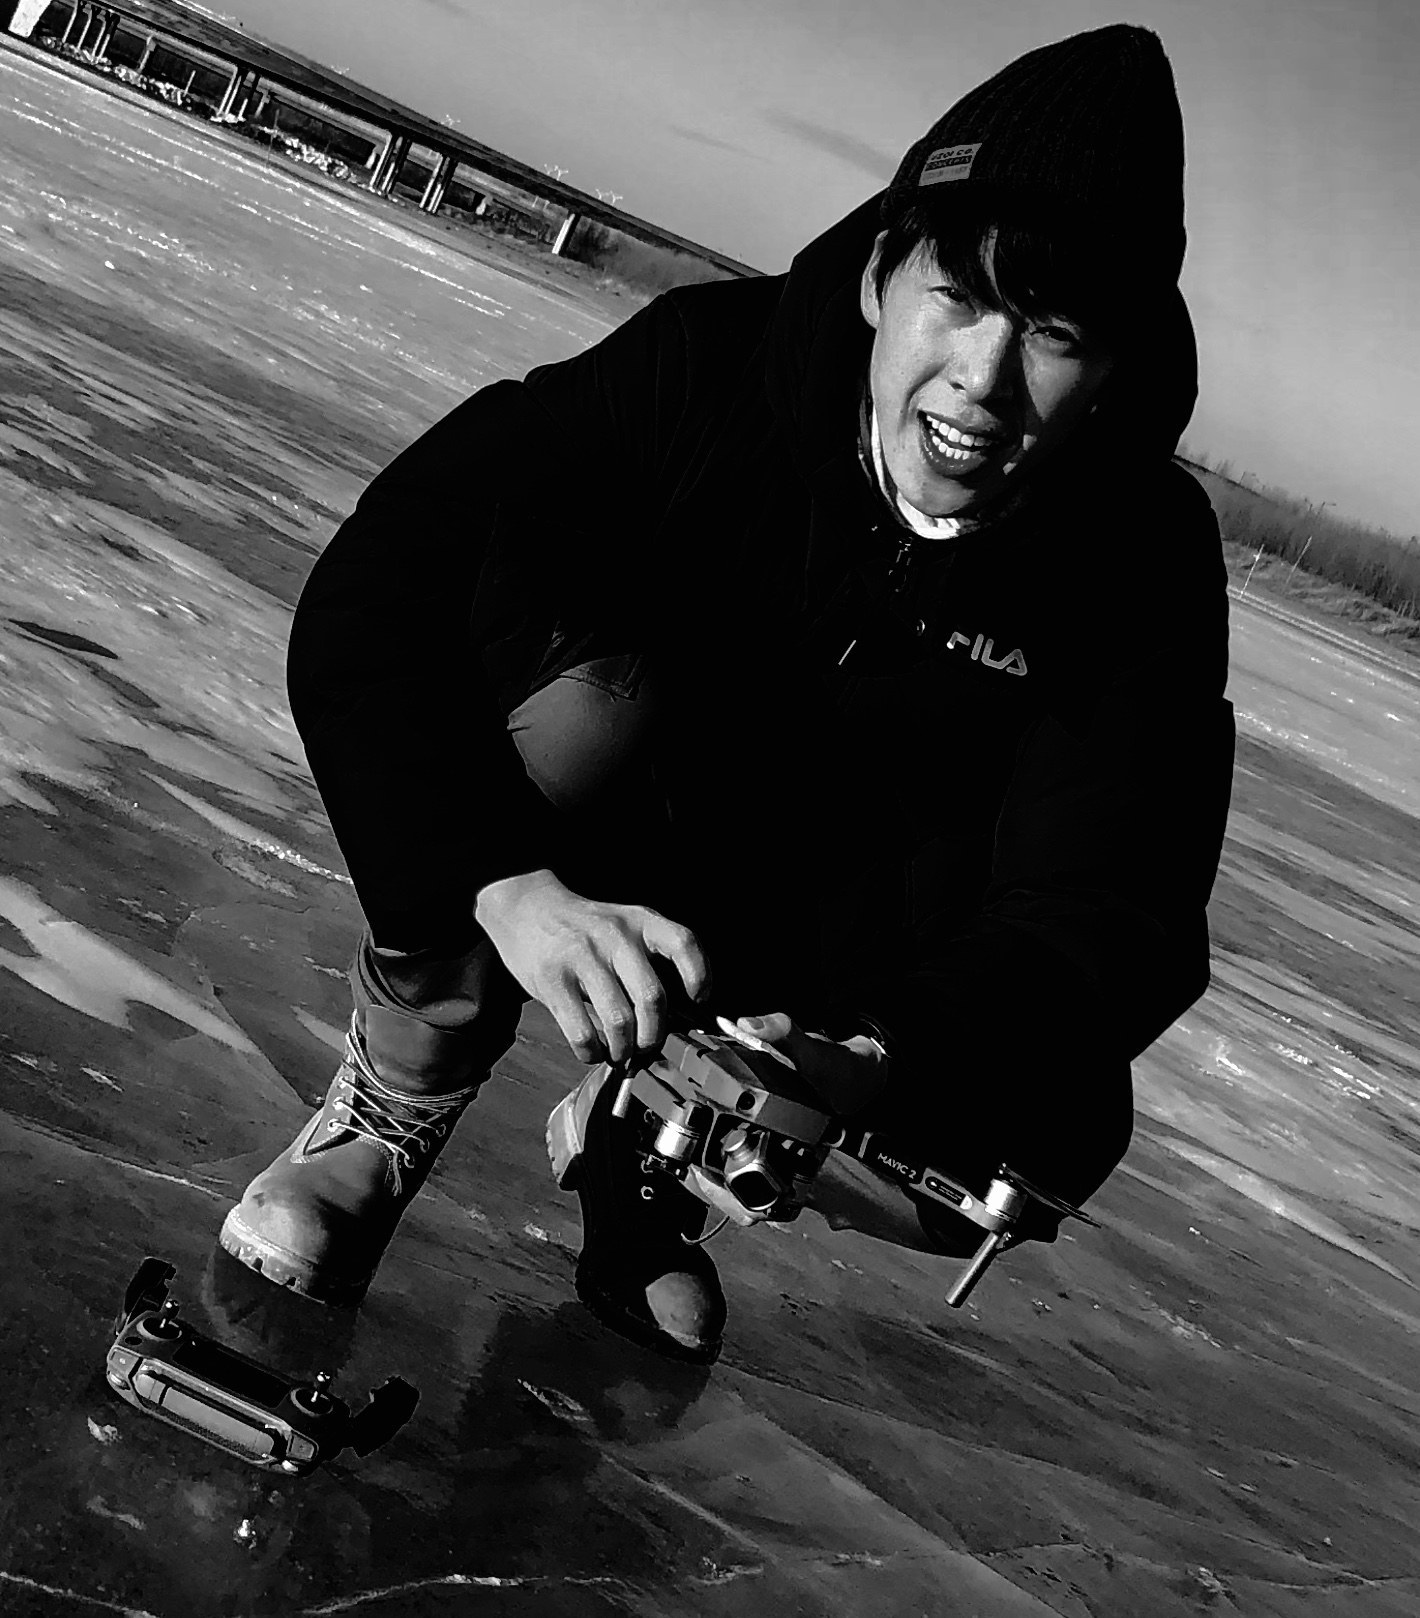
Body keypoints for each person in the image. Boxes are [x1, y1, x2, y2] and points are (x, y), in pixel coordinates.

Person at [220, 23, 1235, 1364]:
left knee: (1045, 1122)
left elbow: (1115, 902)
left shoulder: (1141, 561)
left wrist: (873, 1052)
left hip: (820, 942)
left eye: (1054, 336)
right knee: (580, 700)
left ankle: (655, 1157)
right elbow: (383, 588)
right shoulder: (703, 368)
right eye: (959, 299)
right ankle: (400, 1087)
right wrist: (500, 885)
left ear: (1113, 367)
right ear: (881, 274)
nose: (982, 383)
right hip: (603, 824)